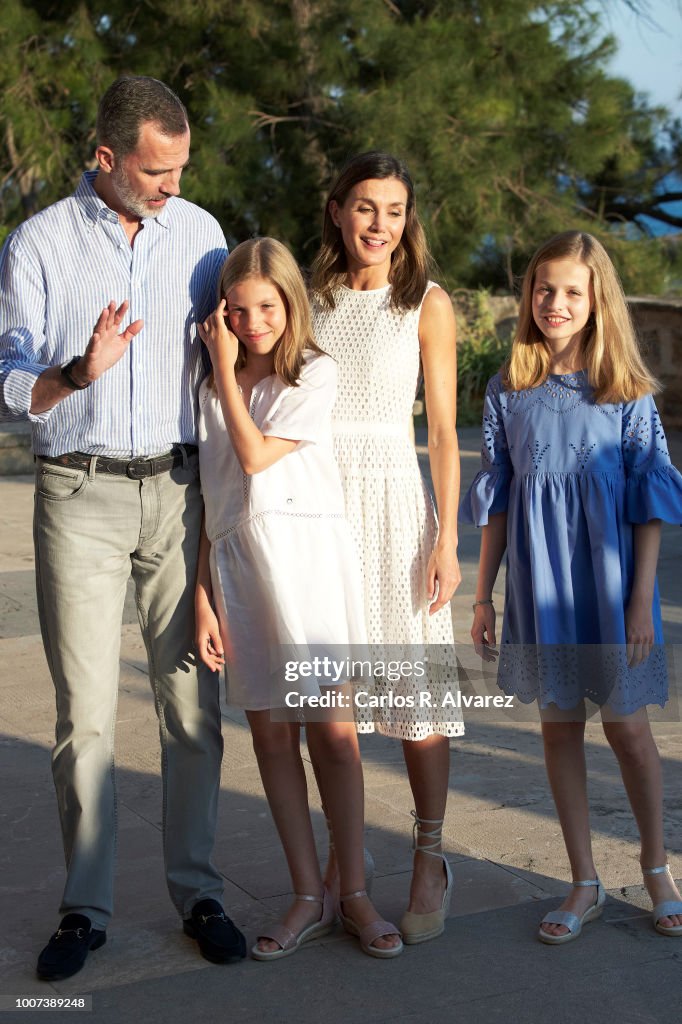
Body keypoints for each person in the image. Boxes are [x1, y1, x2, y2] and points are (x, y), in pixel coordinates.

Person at [0, 75, 246, 979]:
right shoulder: (37, 243)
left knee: (193, 710)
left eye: (181, 167)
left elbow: (233, 360)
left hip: (179, 497)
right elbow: (8, 377)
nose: (173, 186)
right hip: (79, 497)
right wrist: (76, 370)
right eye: (156, 171)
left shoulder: (203, 235)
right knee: (86, 720)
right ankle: (84, 910)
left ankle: (201, 891)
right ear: (106, 160)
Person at [460, 230, 682, 944]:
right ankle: (583, 878)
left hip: (613, 586)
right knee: (559, 728)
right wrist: (484, 593)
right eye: (544, 288)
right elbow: (495, 506)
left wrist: (642, 598)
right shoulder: (508, 389)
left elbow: (650, 502)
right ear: (529, 294)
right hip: (539, 582)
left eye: (573, 292)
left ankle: (657, 870)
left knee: (627, 730)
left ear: (597, 302)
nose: (556, 302)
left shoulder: (626, 392)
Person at [195, 236, 402, 959]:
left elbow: (255, 456)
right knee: (272, 738)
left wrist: (224, 369)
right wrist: (201, 592)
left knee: (335, 737)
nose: (253, 322)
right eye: (238, 309)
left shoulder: (315, 373)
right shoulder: (206, 382)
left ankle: (354, 894)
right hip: (242, 569)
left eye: (267, 306)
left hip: (308, 566)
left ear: (291, 303)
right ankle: (307, 894)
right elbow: (214, 491)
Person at [309, 152, 462, 945]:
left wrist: (448, 537)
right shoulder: (311, 301)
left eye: (395, 211)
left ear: (410, 220)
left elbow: (441, 431)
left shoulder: (426, 304)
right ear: (336, 211)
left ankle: (430, 858)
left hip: (399, 510)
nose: (379, 224)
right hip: (323, 513)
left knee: (417, 704)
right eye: (365, 207)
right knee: (333, 709)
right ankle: (345, 862)